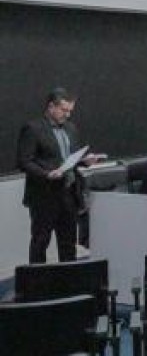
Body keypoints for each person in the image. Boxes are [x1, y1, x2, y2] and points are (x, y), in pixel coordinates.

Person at [17, 88, 98, 263]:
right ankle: (37, 279)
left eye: (70, 111)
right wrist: (46, 174)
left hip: (68, 194)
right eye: (64, 110)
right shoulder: (33, 129)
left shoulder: (71, 128)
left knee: (68, 242)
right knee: (41, 241)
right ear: (51, 107)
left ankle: (68, 279)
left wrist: (84, 161)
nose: (67, 115)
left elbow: (70, 158)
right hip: (44, 196)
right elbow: (24, 162)